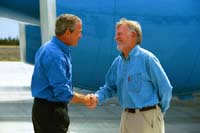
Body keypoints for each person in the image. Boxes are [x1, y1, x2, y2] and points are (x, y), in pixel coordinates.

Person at [90, 18, 173, 133]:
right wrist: (96, 98)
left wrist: (158, 112)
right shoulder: (118, 62)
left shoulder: (147, 59)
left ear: (133, 35)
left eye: (119, 34)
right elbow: (110, 87)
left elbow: (165, 88)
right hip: (126, 117)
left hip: (147, 118)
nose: (116, 38)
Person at [31, 14, 94, 133]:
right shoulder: (55, 55)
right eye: (78, 32)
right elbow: (62, 92)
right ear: (67, 33)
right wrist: (85, 99)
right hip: (51, 113)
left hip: (45, 110)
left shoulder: (50, 48)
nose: (80, 36)